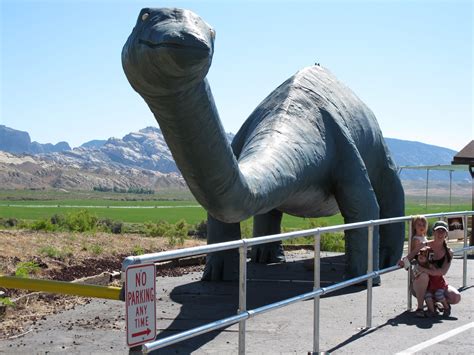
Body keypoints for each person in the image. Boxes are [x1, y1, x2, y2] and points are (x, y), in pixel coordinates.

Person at [399, 220, 461, 317]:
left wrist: (426, 269)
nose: (440, 233)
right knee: (424, 276)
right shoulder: (424, 245)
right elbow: (409, 257)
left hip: (437, 283)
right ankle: (420, 308)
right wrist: (402, 261)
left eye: (442, 231)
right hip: (419, 284)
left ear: (446, 234)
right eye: (438, 231)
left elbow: (443, 272)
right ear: (433, 232)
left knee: (456, 297)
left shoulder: (449, 252)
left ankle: (435, 304)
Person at [414, 246, 451, 317]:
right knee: (427, 296)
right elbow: (415, 275)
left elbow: (435, 273)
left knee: (439, 295)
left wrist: (425, 270)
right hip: (429, 287)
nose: (421, 256)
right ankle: (432, 310)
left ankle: (446, 307)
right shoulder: (418, 266)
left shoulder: (431, 266)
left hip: (438, 285)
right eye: (420, 255)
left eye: (424, 255)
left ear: (429, 258)